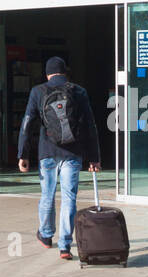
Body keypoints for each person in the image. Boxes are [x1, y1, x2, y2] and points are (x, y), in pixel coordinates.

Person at [17, 56, 101, 260]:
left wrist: (23, 154)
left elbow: (27, 124)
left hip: (47, 152)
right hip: (72, 153)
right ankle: (65, 246)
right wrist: (94, 157)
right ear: (65, 72)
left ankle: (46, 236)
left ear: (47, 73)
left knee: (47, 195)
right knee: (69, 198)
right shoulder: (78, 91)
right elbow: (90, 125)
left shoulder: (38, 92)